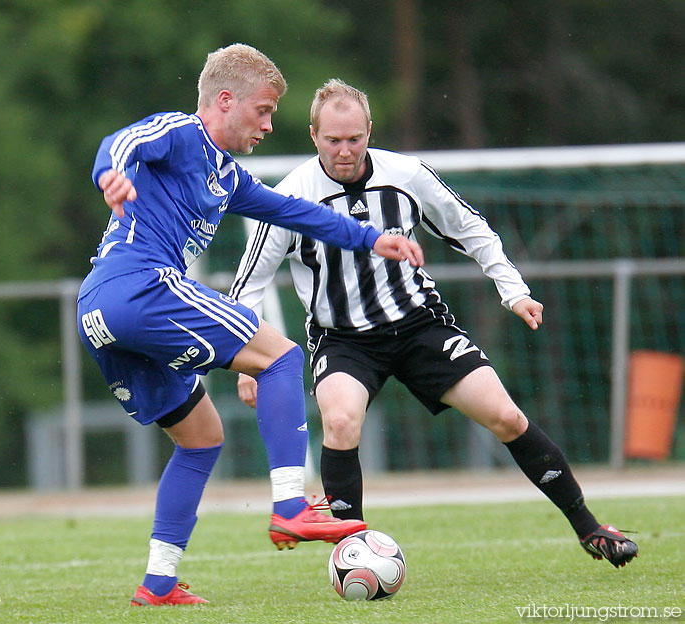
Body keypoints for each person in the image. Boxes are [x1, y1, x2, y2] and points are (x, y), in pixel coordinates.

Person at [230, 79, 638, 569]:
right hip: (343, 340)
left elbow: (470, 228)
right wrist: (245, 362)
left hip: (420, 327)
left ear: (369, 132)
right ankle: (351, 556)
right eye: (333, 140)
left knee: (506, 417)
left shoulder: (405, 175)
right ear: (314, 134)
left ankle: (590, 527)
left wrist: (514, 291)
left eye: (355, 139)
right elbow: (250, 280)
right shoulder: (291, 196)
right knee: (340, 422)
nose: (345, 150)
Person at [78, 48, 425, 607]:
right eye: (263, 111)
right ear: (224, 101)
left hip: (101, 313)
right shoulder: (185, 134)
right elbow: (120, 143)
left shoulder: (227, 178)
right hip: (137, 287)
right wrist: (109, 177)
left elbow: (298, 213)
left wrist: (370, 238)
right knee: (283, 356)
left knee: (201, 439)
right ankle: (290, 506)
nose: (268, 125)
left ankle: (157, 584)